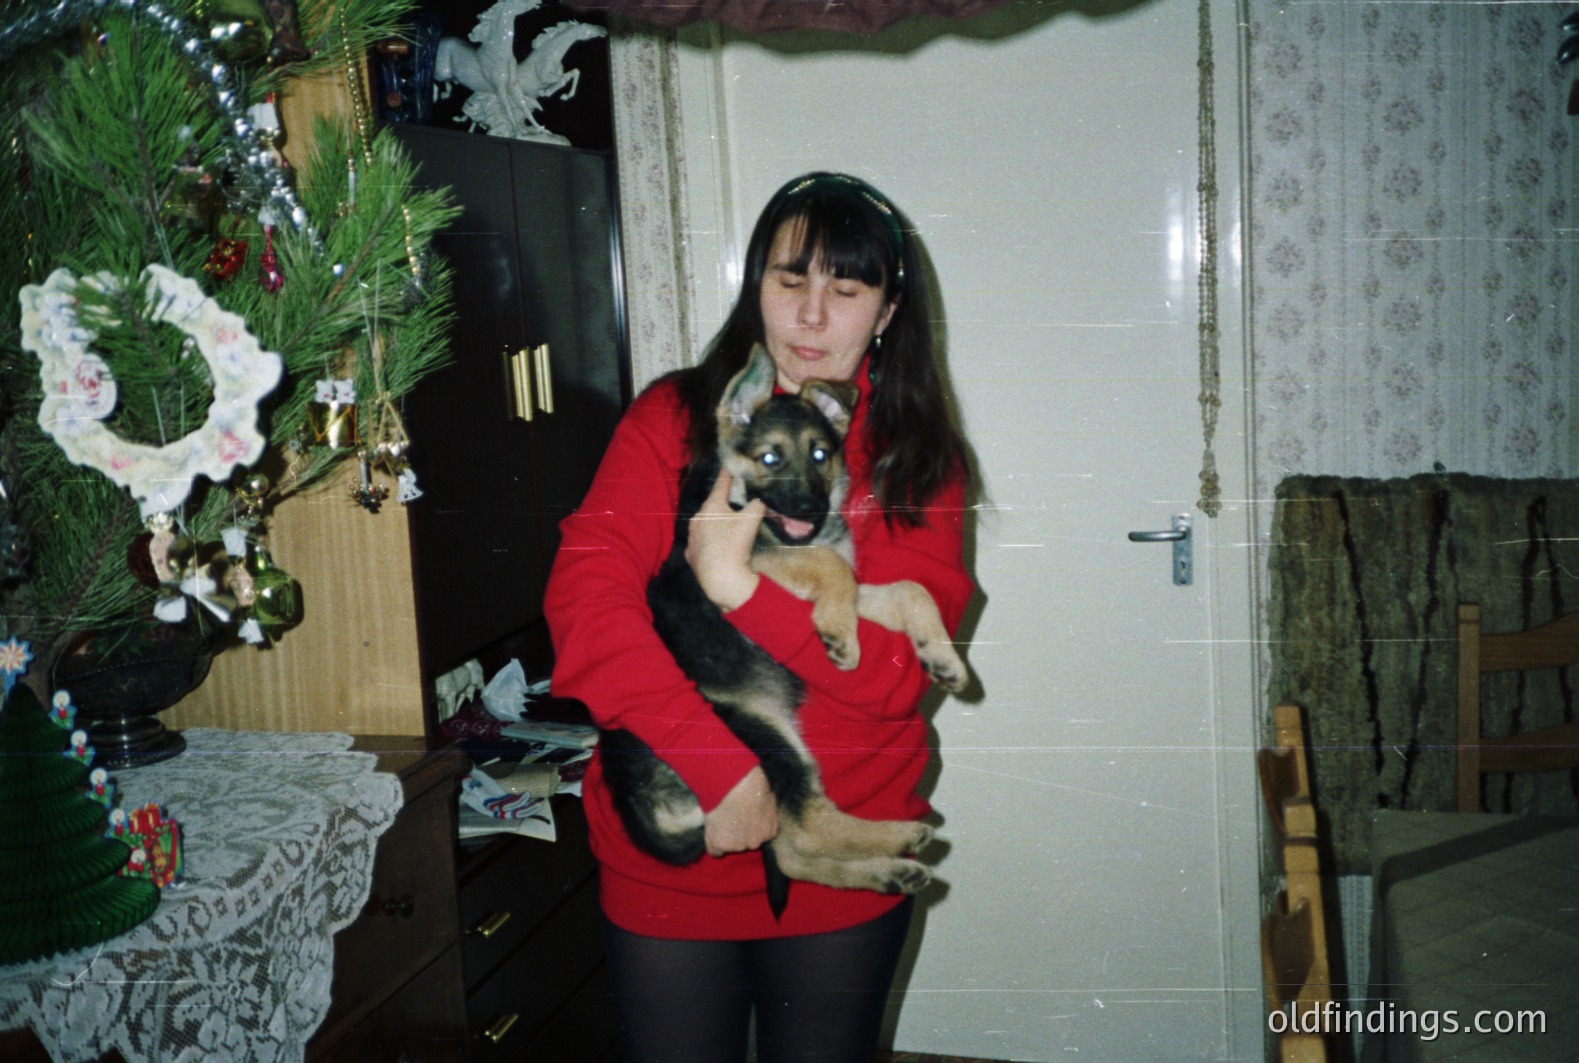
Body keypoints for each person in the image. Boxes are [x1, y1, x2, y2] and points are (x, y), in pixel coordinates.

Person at [544, 172, 974, 1063]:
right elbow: (586, 603)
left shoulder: (919, 462)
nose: (812, 317)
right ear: (754, 288)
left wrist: (735, 582)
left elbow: (893, 682)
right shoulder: (671, 417)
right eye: (788, 281)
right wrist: (719, 767)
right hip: (678, 838)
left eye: (846, 290)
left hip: (844, 849)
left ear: (887, 310)